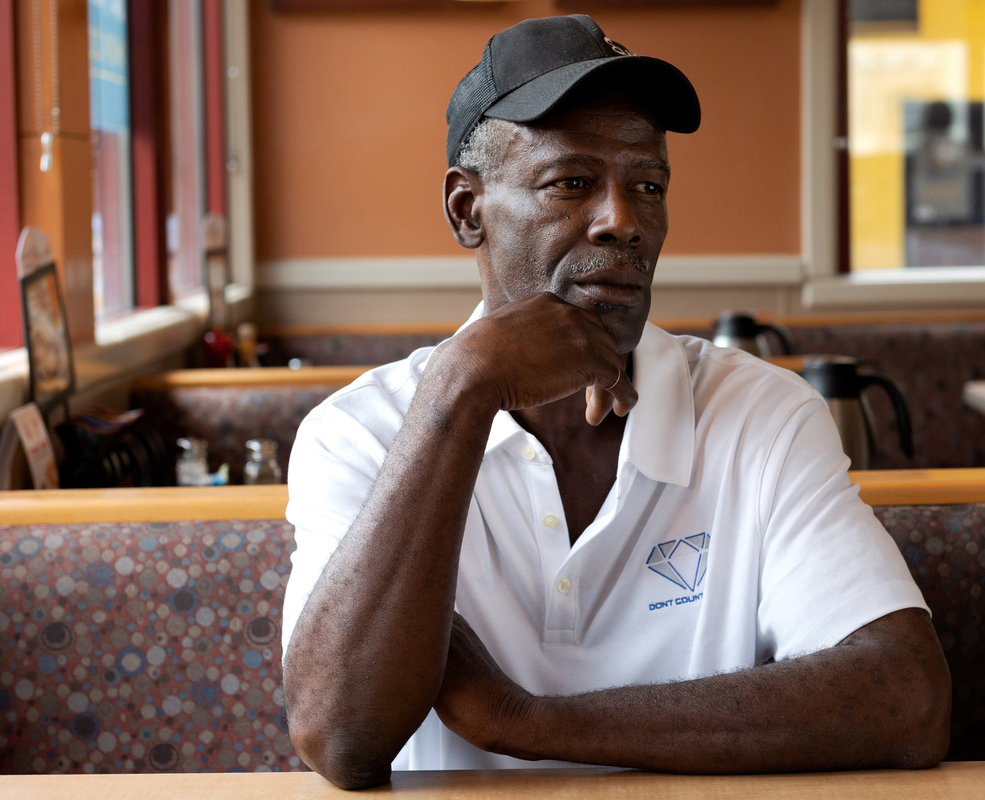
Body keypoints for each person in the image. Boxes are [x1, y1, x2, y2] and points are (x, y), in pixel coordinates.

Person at [281, 14, 951, 790]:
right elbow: (342, 738)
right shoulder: (356, 434)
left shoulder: (761, 413)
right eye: (571, 183)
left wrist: (518, 720)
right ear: (468, 210)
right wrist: (462, 388)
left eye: (648, 186)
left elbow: (906, 700)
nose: (622, 222)